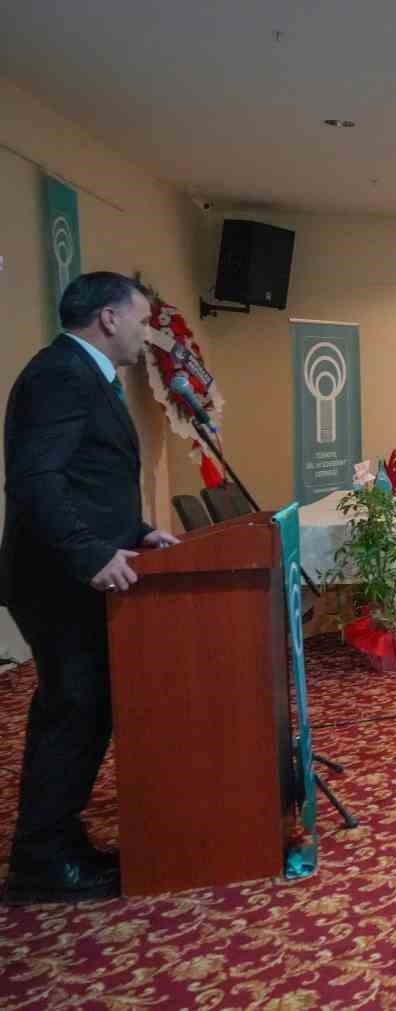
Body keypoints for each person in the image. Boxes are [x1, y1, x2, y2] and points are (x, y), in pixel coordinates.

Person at [1, 273, 182, 905]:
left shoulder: (83, 375)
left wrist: (136, 531)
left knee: (87, 706)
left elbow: (89, 479)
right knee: (73, 710)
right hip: (58, 580)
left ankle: (57, 841)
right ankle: (40, 861)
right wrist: (89, 553)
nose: (146, 333)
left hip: (74, 574)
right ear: (108, 317)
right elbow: (36, 482)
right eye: (142, 320)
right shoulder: (59, 376)